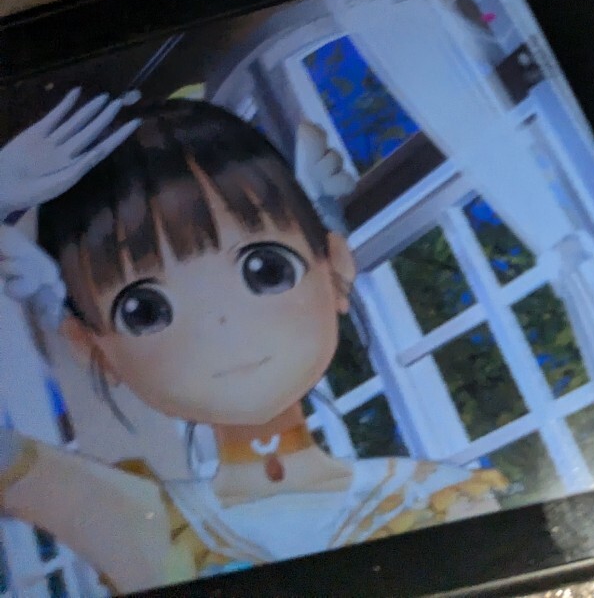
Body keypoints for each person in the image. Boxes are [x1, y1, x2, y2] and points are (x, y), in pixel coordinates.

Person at [0, 91, 504, 594]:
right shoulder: (138, 523)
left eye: (265, 270)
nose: (220, 325)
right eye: (145, 311)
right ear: (91, 346)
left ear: (335, 268)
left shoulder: (439, 497)